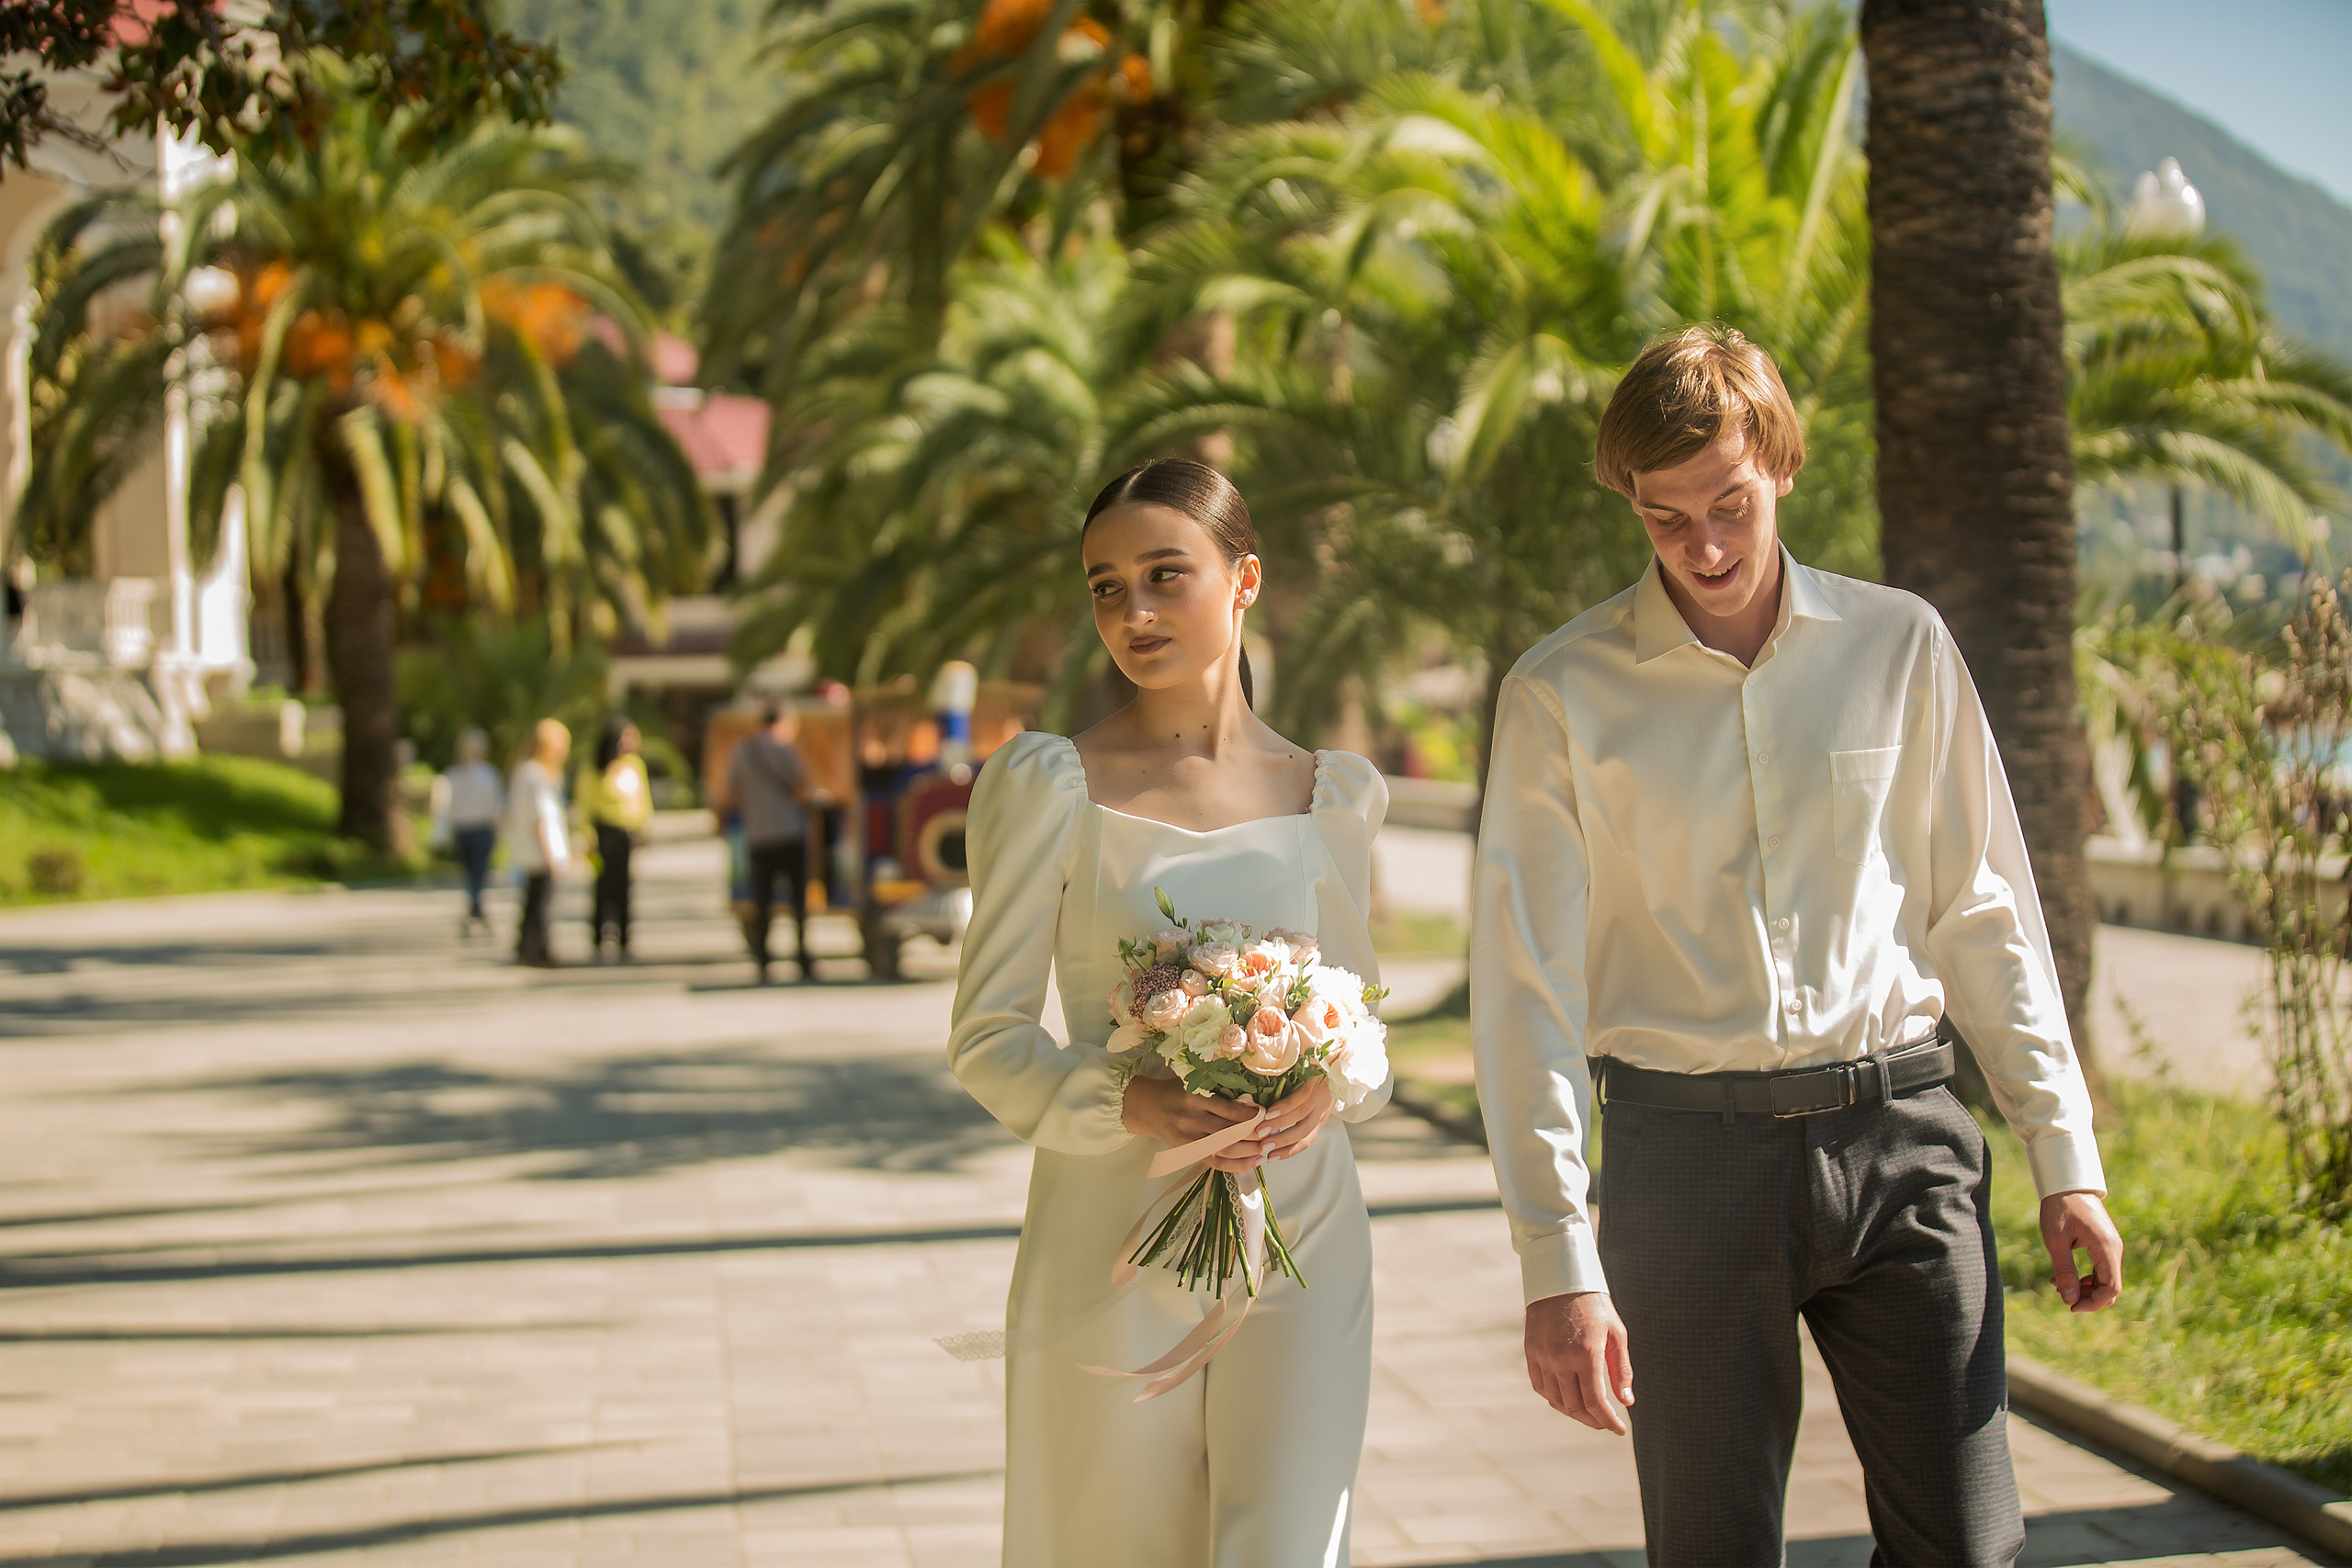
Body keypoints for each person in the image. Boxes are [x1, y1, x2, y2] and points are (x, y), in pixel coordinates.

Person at [1471, 325, 2124, 1565]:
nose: (1704, 549)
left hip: (1905, 1141)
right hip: (1686, 1160)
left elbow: (1981, 905)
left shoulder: (1900, 645)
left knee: (1970, 1543)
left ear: (1777, 462)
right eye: (1666, 520)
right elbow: (1527, 990)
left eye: (1728, 503)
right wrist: (1556, 1254)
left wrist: (2065, 1151)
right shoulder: (1562, 692)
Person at [948, 457, 1393, 1566]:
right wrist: (1123, 1099)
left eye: (1163, 575)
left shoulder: (1330, 795)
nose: (1133, 612)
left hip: (1305, 1230)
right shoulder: (1048, 786)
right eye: (1105, 587)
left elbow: (1367, 1030)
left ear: (1243, 581)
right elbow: (988, 1038)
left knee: (1289, 1549)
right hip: (1111, 1232)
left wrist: (1330, 1083)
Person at [727, 705, 811, 984]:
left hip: (758, 835)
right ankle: (802, 956)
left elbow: (730, 790)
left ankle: (763, 959)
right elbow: (803, 786)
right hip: (789, 832)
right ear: (783, 722)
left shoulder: (742, 751)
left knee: (762, 902)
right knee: (798, 902)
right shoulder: (785, 749)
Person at [580, 718, 651, 961]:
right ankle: (600, 937)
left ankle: (624, 938)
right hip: (604, 830)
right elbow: (585, 803)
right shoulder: (594, 767)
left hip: (627, 830)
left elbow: (643, 799)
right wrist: (587, 834)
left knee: (624, 886)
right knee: (603, 885)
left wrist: (644, 829)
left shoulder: (634, 765)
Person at [508, 718, 572, 968]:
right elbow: (541, 818)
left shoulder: (527, 772)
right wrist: (551, 854)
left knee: (534, 901)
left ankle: (528, 946)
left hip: (534, 850)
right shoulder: (535, 775)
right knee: (541, 903)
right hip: (541, 851)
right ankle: (538, 948)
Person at [431, 728, 503, 941]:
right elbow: (496, 806)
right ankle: (478, 914)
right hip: (477, 831)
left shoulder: (457, 775)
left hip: (469, 831)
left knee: (474, 876)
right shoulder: (483, 775)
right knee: (477, 875)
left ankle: (475, 914)